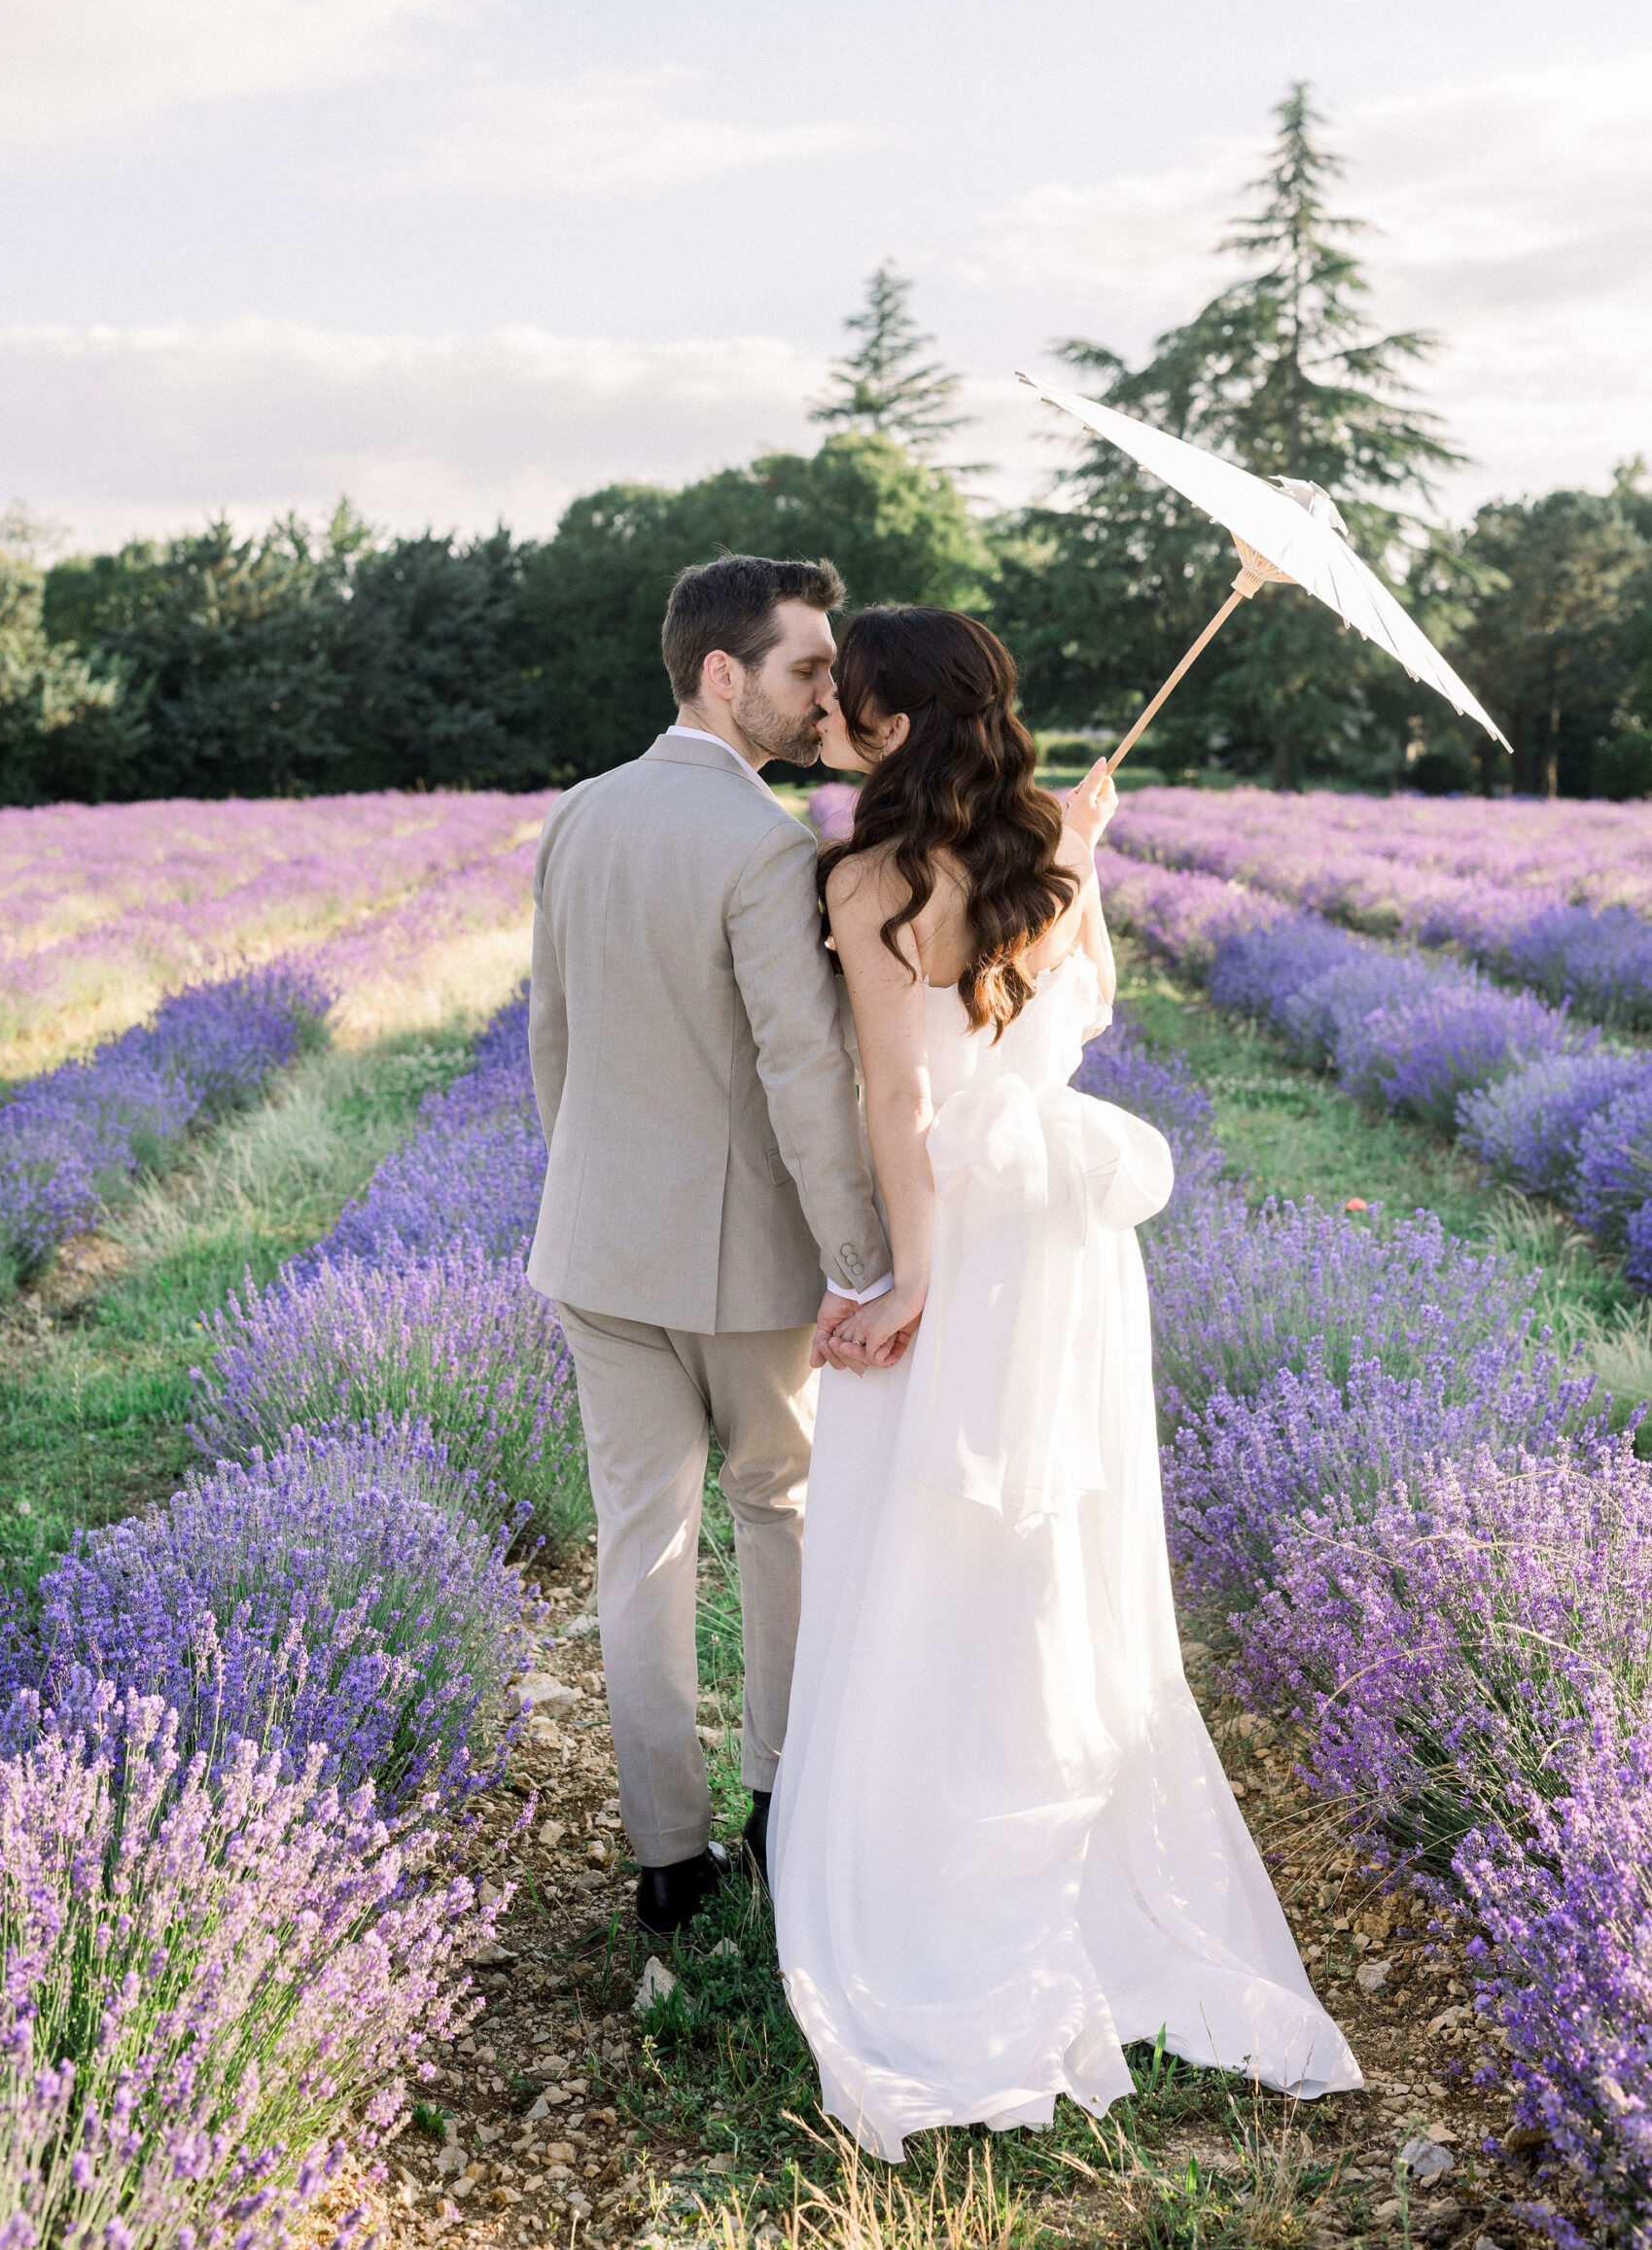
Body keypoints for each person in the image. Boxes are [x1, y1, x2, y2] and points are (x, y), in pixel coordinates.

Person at [769, 605, 1361, 2159]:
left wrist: (906, 1277)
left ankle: (941, 1868)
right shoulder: (1048, 860)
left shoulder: (868, 878)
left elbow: (901, 1094)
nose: (828, 714)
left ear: (898, 726)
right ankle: (1055, 1825)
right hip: (1070, 1249)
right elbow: (1077, 1013)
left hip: (969, 1229)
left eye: (849, 698)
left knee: (922, 1528)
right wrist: (1080, 854)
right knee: (1049, 1538)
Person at [525, 554, 899, 1939]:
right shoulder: (765, 845)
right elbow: (805, 1076)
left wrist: (591, 1187)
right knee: (779, 1514)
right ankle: (780, 1806)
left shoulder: (578, 812)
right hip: (746, 1266)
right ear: (723, 674)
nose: (827, 694)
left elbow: (553, 1036)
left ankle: (665, 1861)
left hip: (596, 1243)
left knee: (642, 1545)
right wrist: (859, 1261)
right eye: (807, 667)